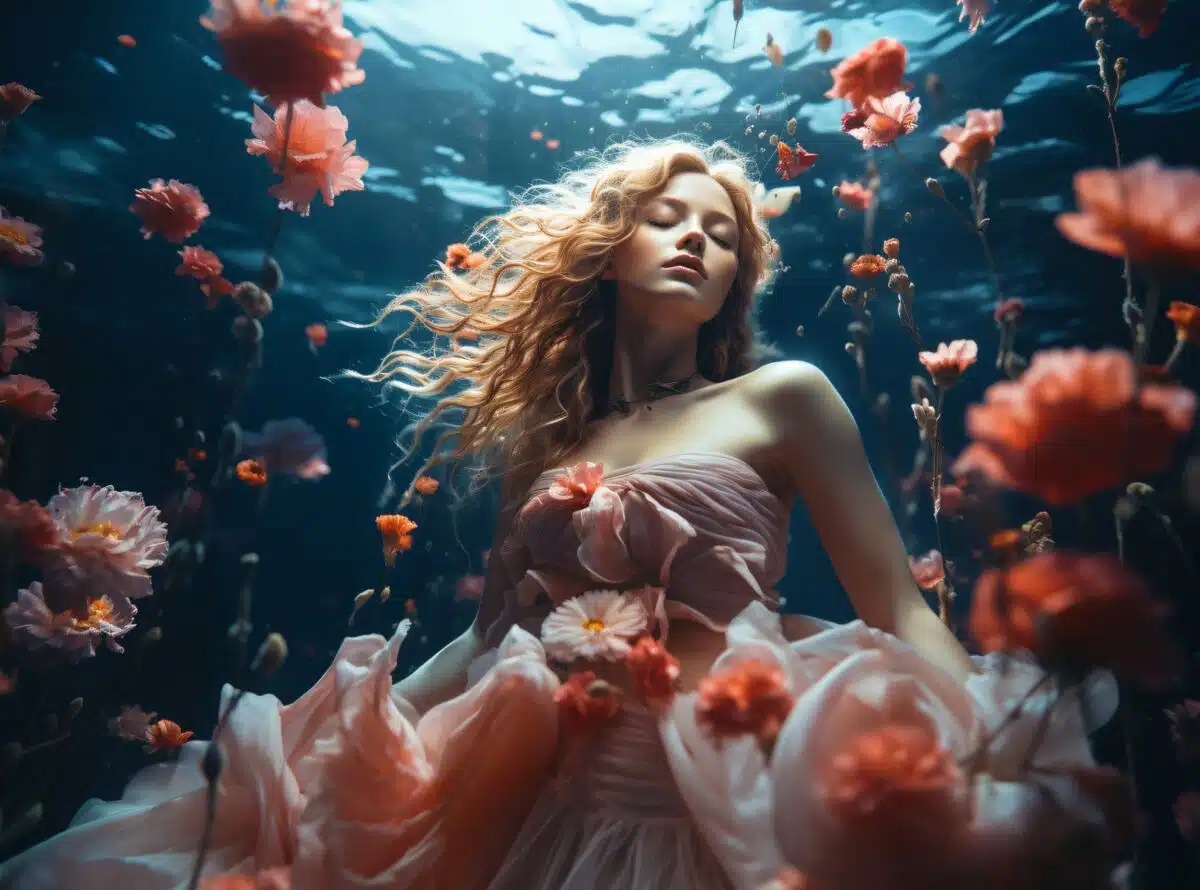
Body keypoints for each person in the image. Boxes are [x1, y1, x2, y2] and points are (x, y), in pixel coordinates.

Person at [0, 139, 1121, 890]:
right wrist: (304, 736)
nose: (697, 239)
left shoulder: (785, 397)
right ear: (613, 246)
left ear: (739, 279)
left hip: (729, 787)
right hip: (556, 802)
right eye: (668, 218)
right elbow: (499, 636)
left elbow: (893, 600)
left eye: (724, 234)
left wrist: (994, 729)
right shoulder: (550, 447)